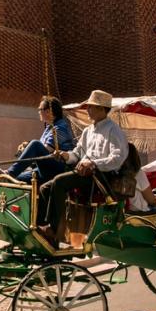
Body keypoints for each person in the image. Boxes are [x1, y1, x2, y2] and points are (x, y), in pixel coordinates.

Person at [39, 90, 129, 246]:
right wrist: (65, 155)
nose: (87, 110)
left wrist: (93, 163)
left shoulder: (113, 130)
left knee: (59, 182)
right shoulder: (88, 131)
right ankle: (41, 227)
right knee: (45, 187)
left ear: (102, 109)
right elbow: (77, 153)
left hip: (102, 179)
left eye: (91, 107)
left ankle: (56, 232)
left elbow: (117, 159)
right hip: (84, 174)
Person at [0, 96, 75, 184]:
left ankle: (10, 173)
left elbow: (47, 150)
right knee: (16, 179)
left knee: (35, 144)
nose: (38, 112)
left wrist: (30, 148)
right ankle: (7, 178)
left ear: (48, 111)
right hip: (43, 168)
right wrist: (27, 148)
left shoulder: (60, 127)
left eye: (40, 109)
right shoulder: (49, 127)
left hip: (58, 168)